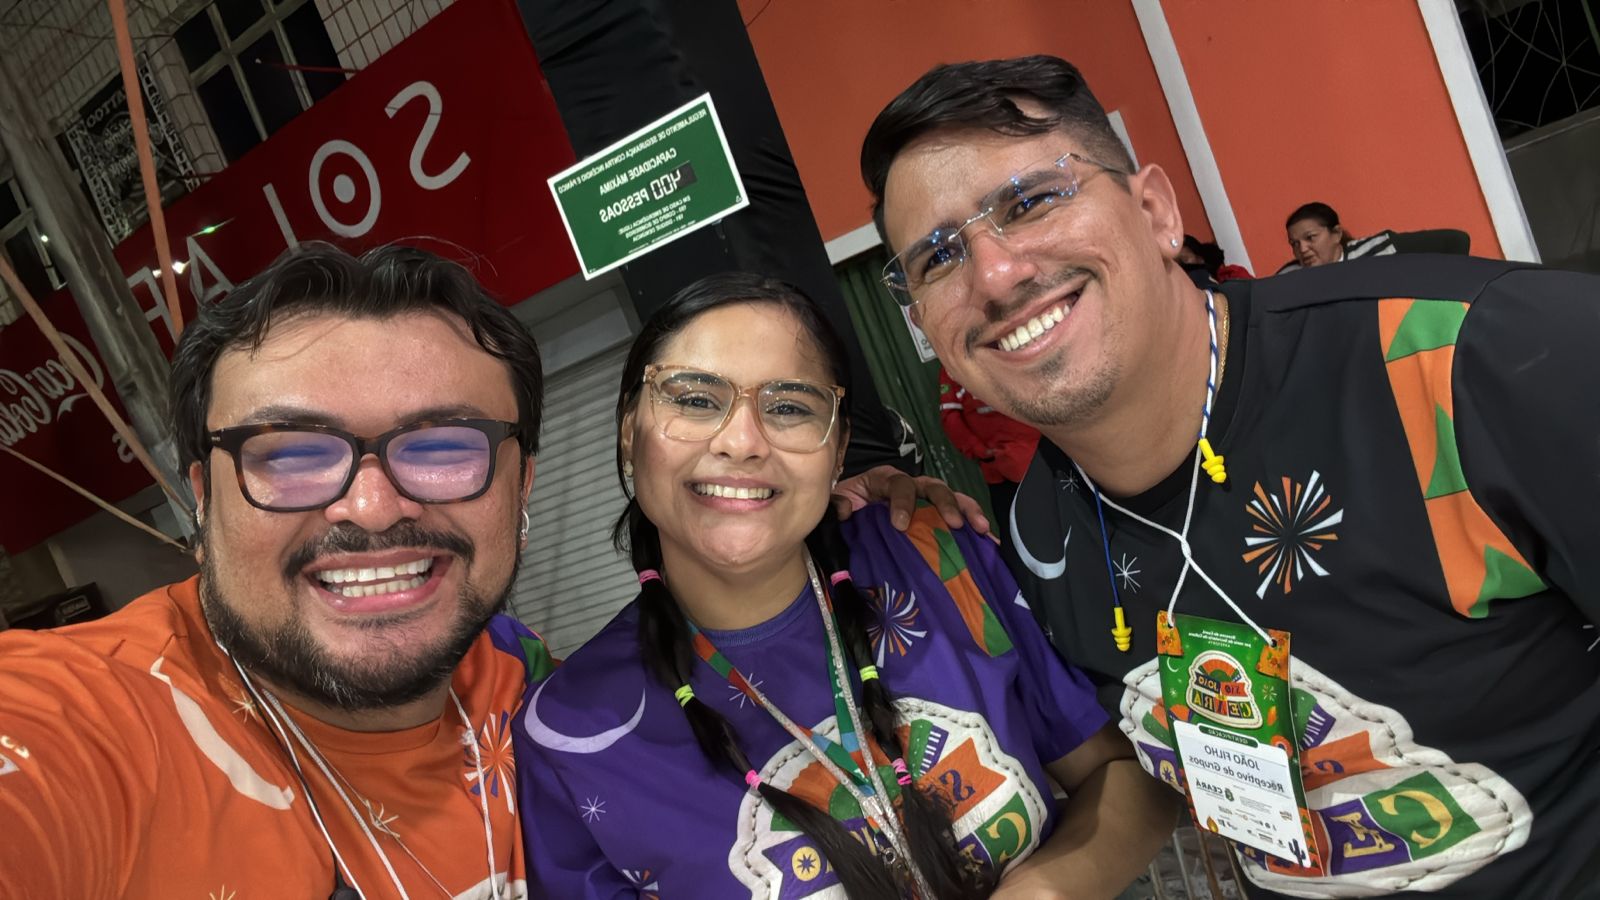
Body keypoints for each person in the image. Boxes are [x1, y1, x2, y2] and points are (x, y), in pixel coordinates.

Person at [860, 54, 1600, 898]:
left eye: (1030, 202)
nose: (995, 275)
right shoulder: (1040, 535)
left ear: (1155, 211)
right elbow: (1141, 772)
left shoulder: (1472, 363)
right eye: (938, 257)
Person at [516, 272, 1176, 899]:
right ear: (628, 432)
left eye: (789, 407)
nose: (742, 441)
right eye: (693, 399)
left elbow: (1124, 773)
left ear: (838, 450)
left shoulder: (932, 556)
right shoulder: (570, 733)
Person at [0, 242, 556, 898]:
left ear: (522, 487)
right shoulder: (92, 720)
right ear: (204, 501)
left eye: (442, 447)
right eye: (290, 456)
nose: (373, 509)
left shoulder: (523, 677)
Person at [937, 363, 1039, 530]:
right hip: (998, 469)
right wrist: (980, 450)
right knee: (1016, 529)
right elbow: (951, 418)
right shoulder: (952, 367)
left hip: (1035, 459)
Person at [1280, 202, 1470, 273]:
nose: (1302, 249)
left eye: (1310, 238)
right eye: (1294, 244)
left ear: (1336, 234)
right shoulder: (1289, 277)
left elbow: (1456, 241)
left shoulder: (1379, 250)